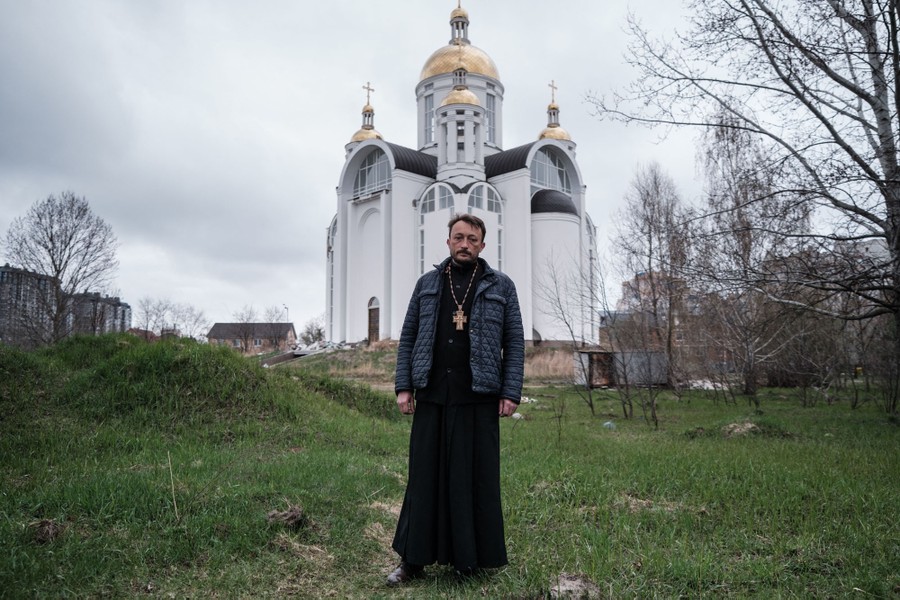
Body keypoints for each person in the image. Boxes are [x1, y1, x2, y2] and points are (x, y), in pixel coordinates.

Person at [387, 213, 525, 585]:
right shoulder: (428, 283)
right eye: (458, 237)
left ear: (483, 244)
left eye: (472, 239)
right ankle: (412, 561)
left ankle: (469, 562)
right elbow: (409, 336)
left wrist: (511, 392)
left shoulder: (501, 286)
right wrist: (404, 386)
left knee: (473, 479)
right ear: (447, 241)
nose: (465, 244)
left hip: (478, 396)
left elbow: (514, 342)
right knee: (424, 478)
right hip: (432, 394)